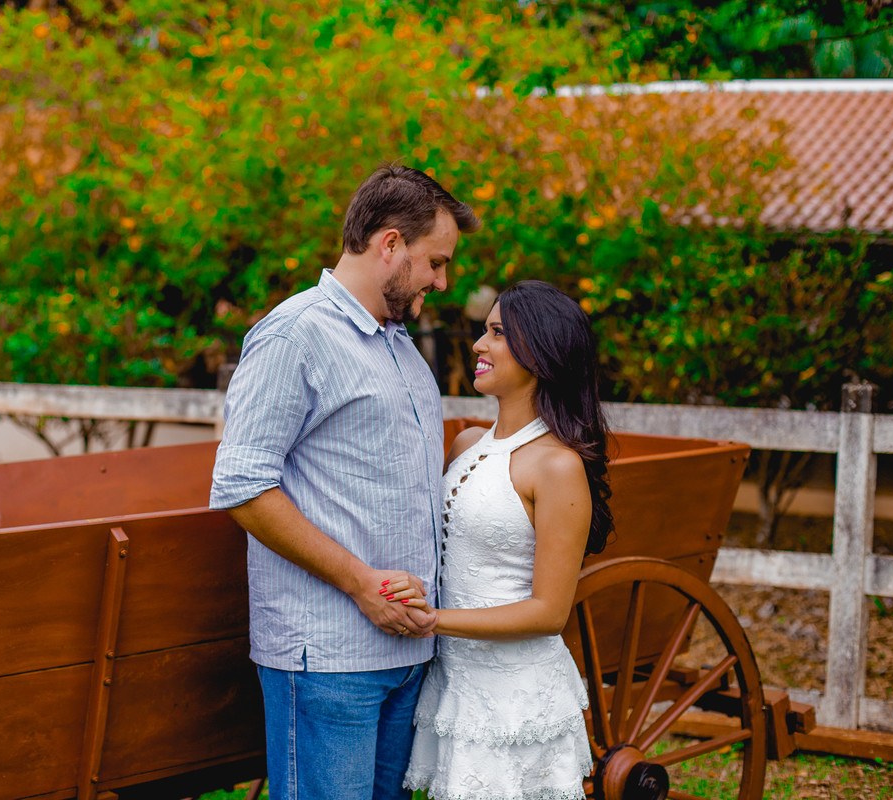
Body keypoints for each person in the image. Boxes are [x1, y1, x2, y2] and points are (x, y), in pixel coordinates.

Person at [209, 164, 481, 800]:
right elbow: (244, 487)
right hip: (329, 657)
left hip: (405, 652)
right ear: (390, 244)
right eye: (436, 262)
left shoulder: (400, 346)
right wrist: (363, 586)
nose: (443, 281)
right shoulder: (295, 335)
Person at [382, 280, 614, 800]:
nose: (478, 346)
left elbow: (550, 611)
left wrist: (434, 621)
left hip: (516, 695)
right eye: (484, 331)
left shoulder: (557, 465)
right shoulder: (466, 444)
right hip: (455, 682)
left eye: (497, 333)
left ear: (541, 350)